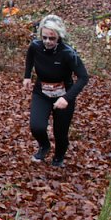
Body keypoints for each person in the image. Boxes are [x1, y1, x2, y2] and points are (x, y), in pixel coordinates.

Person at [22, 14, 88, 167]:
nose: (47, 42)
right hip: (42, 92)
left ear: (59, 36)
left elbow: (83, 77)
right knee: (36, 126)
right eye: (44, 37)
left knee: (60, 132)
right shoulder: (35, 46)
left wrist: (67, 98)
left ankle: (59, 156)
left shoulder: (68, 53)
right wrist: (27, 76)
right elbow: (30, 57)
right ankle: (44, 145)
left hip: (64, 94)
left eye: (52, 38)